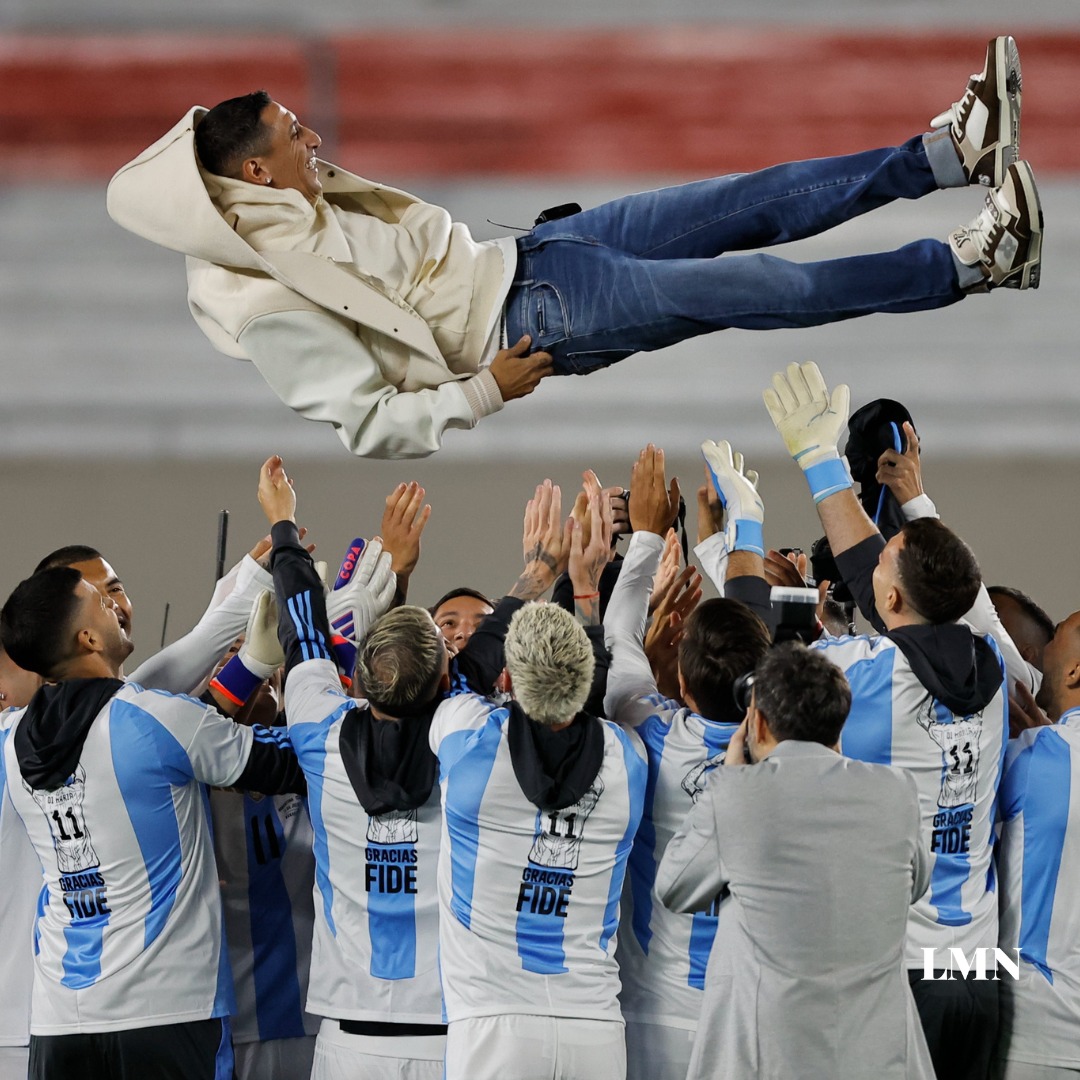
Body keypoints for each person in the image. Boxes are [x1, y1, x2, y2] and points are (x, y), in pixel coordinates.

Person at [107, 38, 1040, 459]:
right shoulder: (259, 300)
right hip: (536, 321)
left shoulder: (292, 200)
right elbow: (364, 425)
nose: (314, 140)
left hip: (542, 251)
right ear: (256, 175)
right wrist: (480, 394)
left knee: (749, 199)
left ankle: (949, 152)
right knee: (762, 285)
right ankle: (974, 263)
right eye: (294, 135)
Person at [258, 455, 589, 1078]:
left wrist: (284, 528)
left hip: (349, 1045)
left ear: (356, 676)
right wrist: (540, 571)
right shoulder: (467, 740)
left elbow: (304, 628)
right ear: (447, 675)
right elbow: (481, 660)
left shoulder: (318, 733)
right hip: (457, 1037)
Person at [725, 361, 1007, 1079]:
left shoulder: (870, 677)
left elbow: (748, 678)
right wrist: (855, 484)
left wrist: (758, 520)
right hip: (977, 972)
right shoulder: (998, 670)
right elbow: (933, 590)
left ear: (895, 606)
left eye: (890, 568)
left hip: (899, 972)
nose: (876, 567)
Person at [0, 567, 304, 1079]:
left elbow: (168, 732)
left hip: (58, 1021)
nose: (116, 606)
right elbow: (293, 761)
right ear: (88, 638)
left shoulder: (10, 741)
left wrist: (250, 664)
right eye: (100, 599)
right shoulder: (157, 719)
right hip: (168, 1012)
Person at [656, 642, 935, 1080]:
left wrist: (728, 776)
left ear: (758, 723)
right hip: (880, 1059)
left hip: (767, 1059)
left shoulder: (738, 794)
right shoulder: (897, 792)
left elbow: (672, 887)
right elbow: (914, 885)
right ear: (839, 727)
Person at [601, 445, 771, 1079]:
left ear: (683, 686)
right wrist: (733, 538)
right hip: (748, 1014)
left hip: (652, 1015)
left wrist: (647, 536)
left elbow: (618, 637)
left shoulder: (651, 732)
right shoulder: (794, 752)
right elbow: (758, 660)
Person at [429, 589, 648, 1080]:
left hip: (489, 1023)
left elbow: (454, 681)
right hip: (595, 1028)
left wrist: (533, 577)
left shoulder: (465, 736)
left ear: (507, 679)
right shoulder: (630, 758)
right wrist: (588, 590)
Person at [995, 610, 1080, 1080]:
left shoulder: (1033, 756)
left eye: (1057, 641)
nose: (1041, 652)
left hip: (1035, 1034)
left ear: (1074, 671)